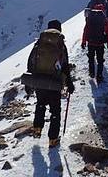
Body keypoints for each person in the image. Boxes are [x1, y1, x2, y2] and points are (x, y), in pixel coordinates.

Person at [26, 19, 75, 148]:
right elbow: (65, 66)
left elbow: (31, 61)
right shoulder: (60, 45)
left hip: (39, 81)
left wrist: (29, 82)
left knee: (40, 104)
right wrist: (69, 83)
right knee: (55, 111)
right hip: (54, 82)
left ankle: (37, 129)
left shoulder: (40, 42)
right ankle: (53, 139)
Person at [81, 4, 108, 83]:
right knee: (100, 60)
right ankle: (99, 76)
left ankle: (92, 72)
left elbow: (86, 31)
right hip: (100, 43)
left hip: (91, 42)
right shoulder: (105, 20)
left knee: (91, 58)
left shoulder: (90, 19)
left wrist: (84, 41)